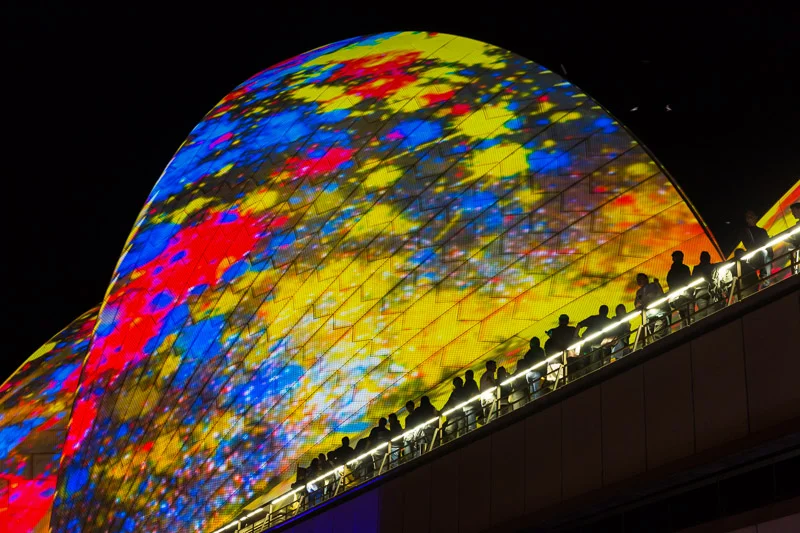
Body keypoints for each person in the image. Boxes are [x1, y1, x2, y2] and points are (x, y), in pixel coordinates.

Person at [576, 305, 612, 376]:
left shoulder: (593, 318)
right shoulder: (609, 321)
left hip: (589, 346)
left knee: (584, 361)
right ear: (607, 312)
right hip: (599, 347)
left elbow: (579, 324)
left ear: (599, 311)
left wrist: (576, 337)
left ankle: (585, 375)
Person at [741, 210, 773, 286]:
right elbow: (748, 245)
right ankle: (764, 277)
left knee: (767, 257)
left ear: (755, 218)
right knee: (764, 253)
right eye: (748, 217)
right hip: (754, 255)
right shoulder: (745, 232)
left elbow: (767, 242)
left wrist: (771, 253)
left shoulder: (762, 231)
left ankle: (765, 282)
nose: (750, 219)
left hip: (763, 254)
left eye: (751, 217)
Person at [634, 273, 669, 342]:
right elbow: (636, 304)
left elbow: (661, 294)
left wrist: (657, 284)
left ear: (646, 279)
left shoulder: (653, 285)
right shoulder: (638, 292)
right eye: (638, 280)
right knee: (653, 337)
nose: (639, 281)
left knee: (659, 335)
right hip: (648, 318)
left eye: (641, 279)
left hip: (659, 313)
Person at [666, 251, 693, 327]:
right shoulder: (685, 268)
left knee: (682, 318)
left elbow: (669, 282)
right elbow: (688, 280)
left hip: (676, 297)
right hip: (686, 295)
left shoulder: (671, 272)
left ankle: (684, 331)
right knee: (690, 316)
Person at [692, 251, 716, 319]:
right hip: (712, 290)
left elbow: (693, 279)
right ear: (709, 258)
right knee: (712, 312)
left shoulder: (696, 268)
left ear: (700, 259)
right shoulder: (712, 266)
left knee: (702, 314)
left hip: (700, 291)